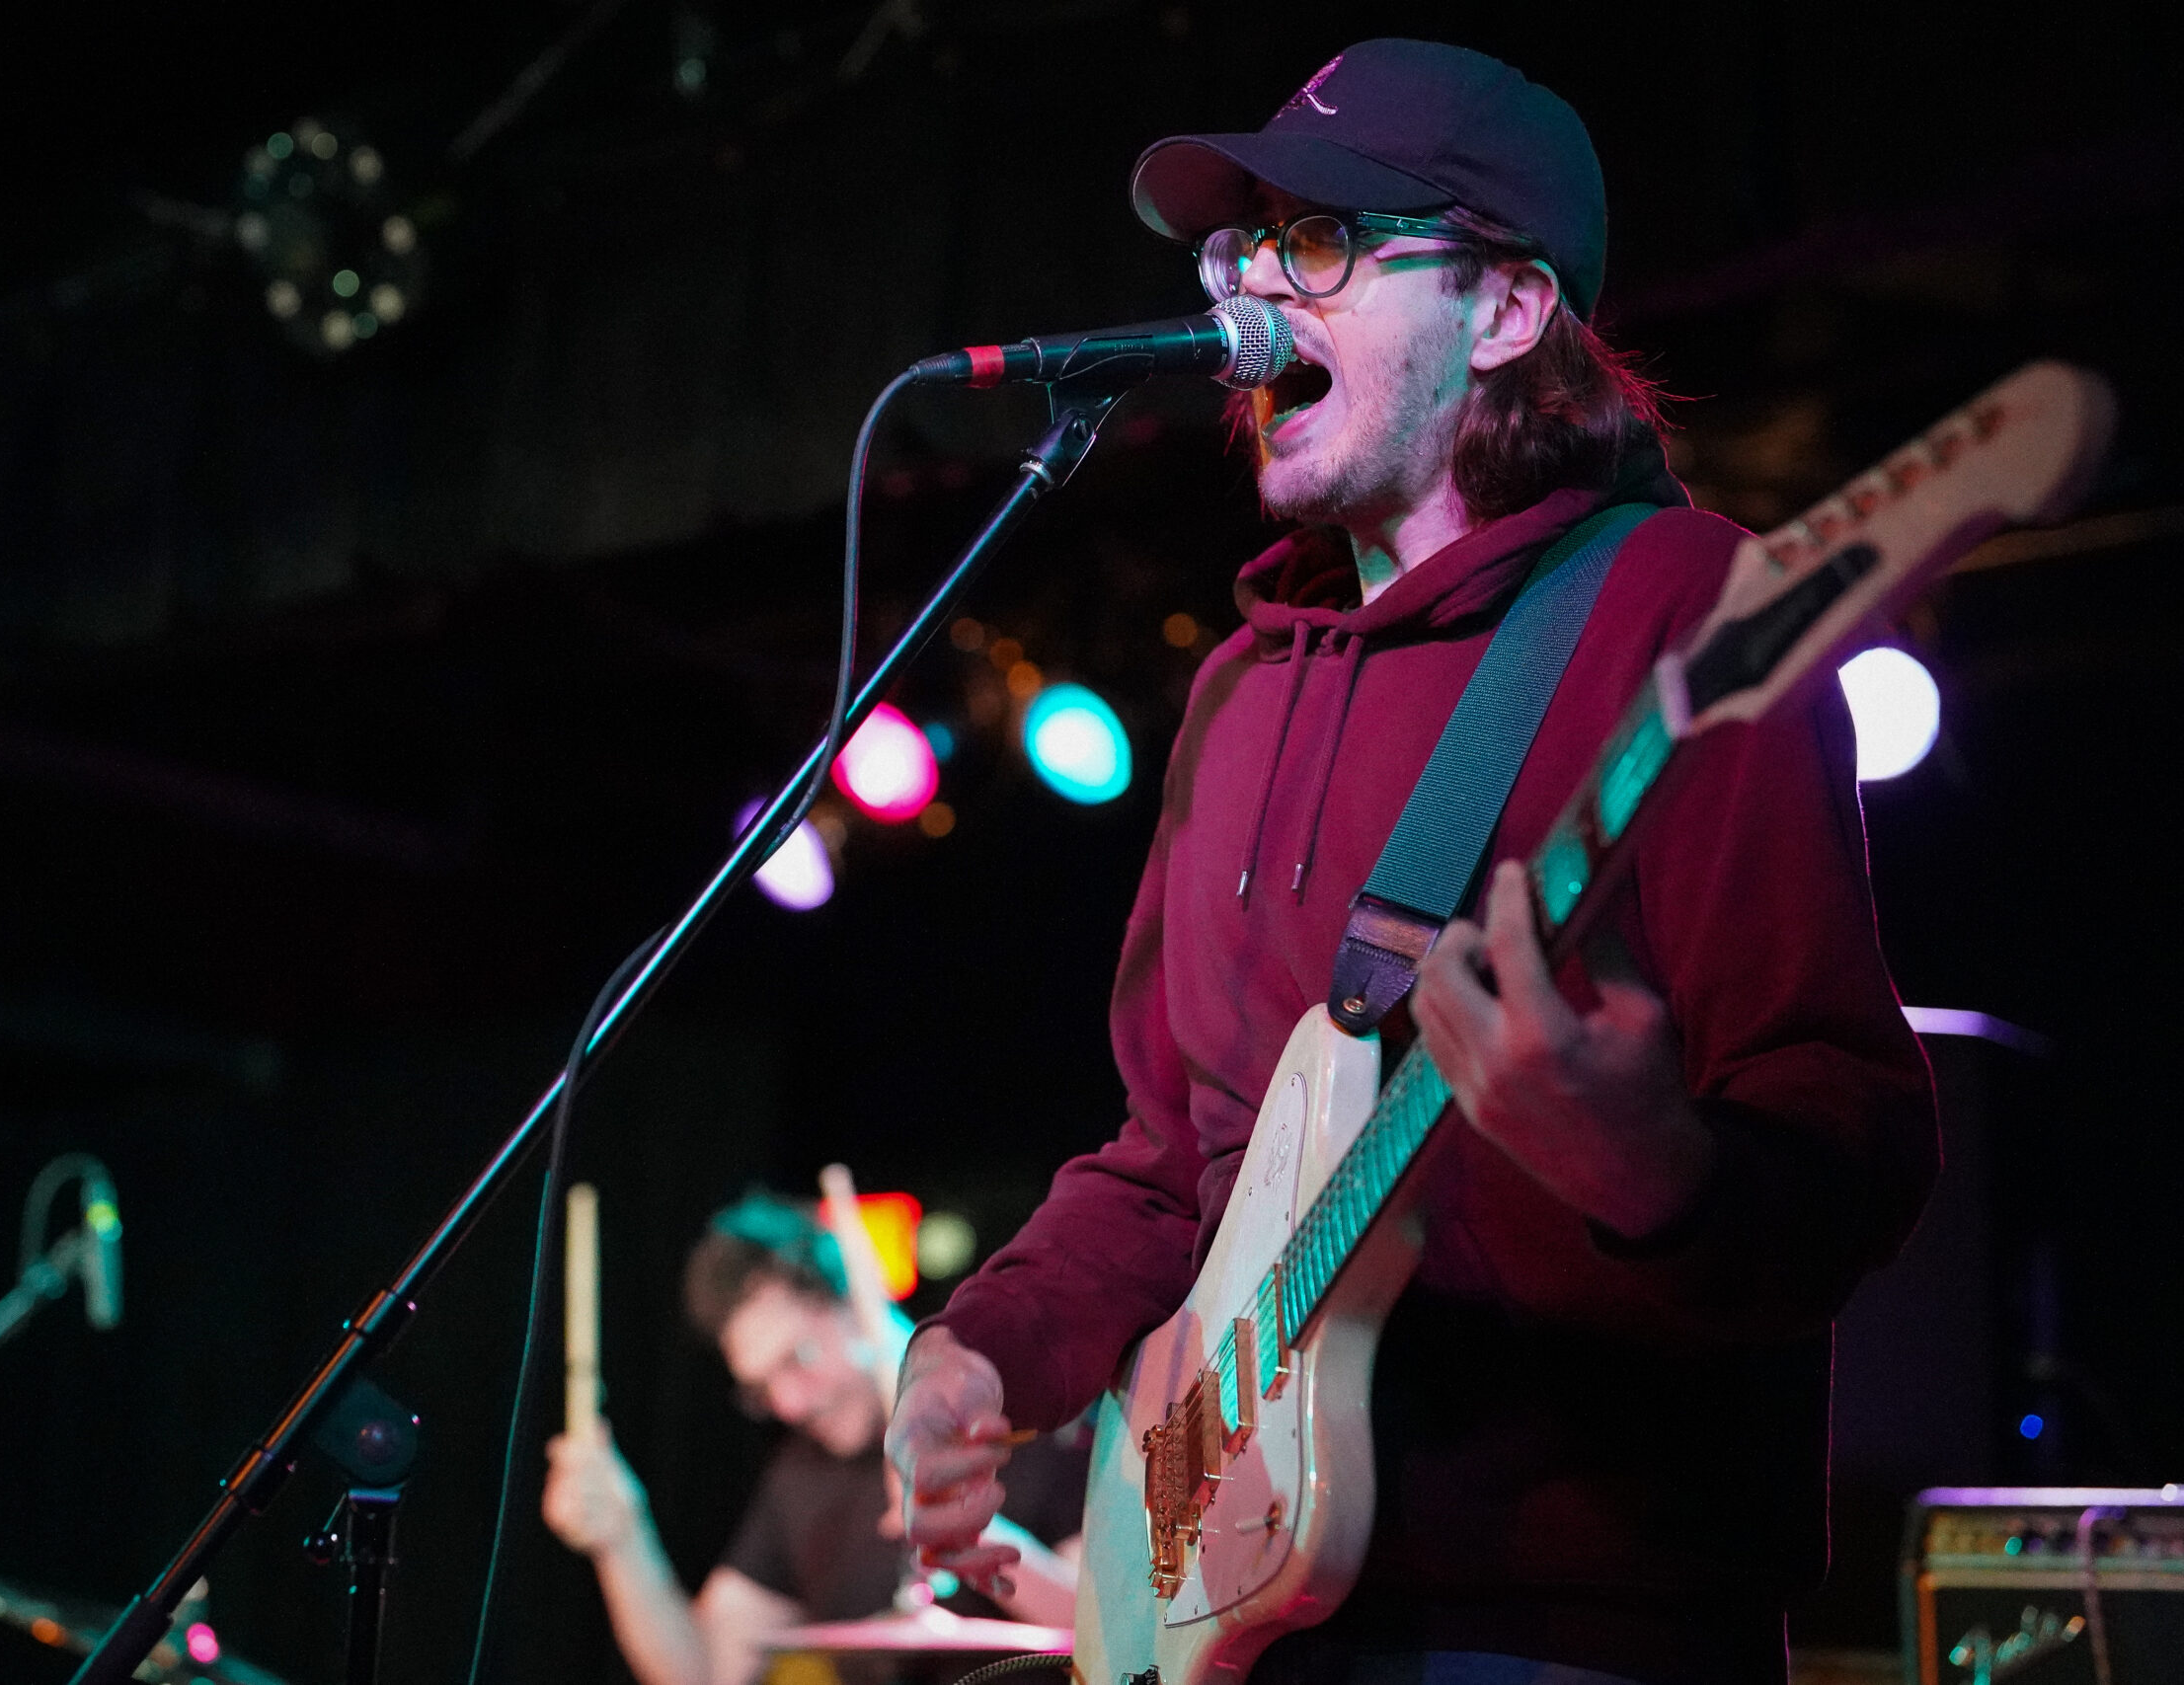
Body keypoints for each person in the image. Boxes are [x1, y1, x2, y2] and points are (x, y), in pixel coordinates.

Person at [888, 38, 1937, 1685]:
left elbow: (1853, 1125)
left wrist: (1649, 1161)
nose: (1250, 287)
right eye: (1241, 246)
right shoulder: (1240, 690)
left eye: (1317, 240)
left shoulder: (1678, 609)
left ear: (1505, 308)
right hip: (1244, 1611)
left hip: (1570, 1628)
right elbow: (1170, 1159)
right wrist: (984, 1350)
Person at [544, 1193, 1087, 1685]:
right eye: (762, 1388)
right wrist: (622, 1539)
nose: (789, 1404)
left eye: (797, 1358)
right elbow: (707, 1674)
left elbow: (1120, 1633)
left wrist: (972, 1537)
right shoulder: (799, 1476)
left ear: (855, 1299)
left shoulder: (1024, 1412)